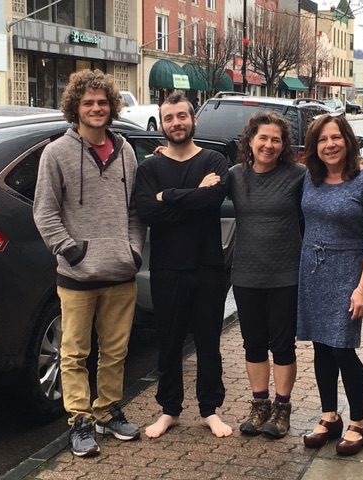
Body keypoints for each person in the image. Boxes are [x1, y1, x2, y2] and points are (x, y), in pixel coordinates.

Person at [33, 69, 147, 457]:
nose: (96, 108)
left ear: (111, 106)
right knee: (74, 354)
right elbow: (45, 211)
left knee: (115, 352)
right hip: (77, 275)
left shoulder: (126, 151)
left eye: (102, 102)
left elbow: (135, 211)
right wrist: (71, 251)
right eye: (88, 103)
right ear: (75, 108)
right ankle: (80, 420)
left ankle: (107, 411)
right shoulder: (57, 153)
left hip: (120, 271)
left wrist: (133, 250)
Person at [134, 92, 232, 438]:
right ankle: (169, 410)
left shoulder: (214, 160)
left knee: (208, 342)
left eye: (181, 116)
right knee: (169, 342)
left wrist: (169, 196)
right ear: (162, 125)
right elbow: (148, 212)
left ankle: (210, 410)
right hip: (167, 268)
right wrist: (194, 196)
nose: (176, 123)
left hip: (207, 266)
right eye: (169, 118)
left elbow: (213, 200)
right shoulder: (150, 168)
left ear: (194, 120)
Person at [297, 113, 363, 456]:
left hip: (348, 274)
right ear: (314, 147)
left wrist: (362, 289)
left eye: (335, 137)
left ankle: (358, 422)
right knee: (321, 346)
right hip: (313, 272)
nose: (329, 145)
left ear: (348, 141)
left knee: (342, 348)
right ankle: (329, 417)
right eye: (322, 139)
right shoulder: (310, 178)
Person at [228, 112, 306, 439]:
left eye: (276, 139)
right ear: (250, 141)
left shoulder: (298, 175)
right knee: (254, 344)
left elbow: (329, 186)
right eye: (263, 138)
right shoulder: (235, 176)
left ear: (283, 145)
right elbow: (202, 194)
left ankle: (282, 407)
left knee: (283, 345)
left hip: (286, 275)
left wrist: (360, 170)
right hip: (246, 275)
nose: (269, 145)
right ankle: (259, 405)